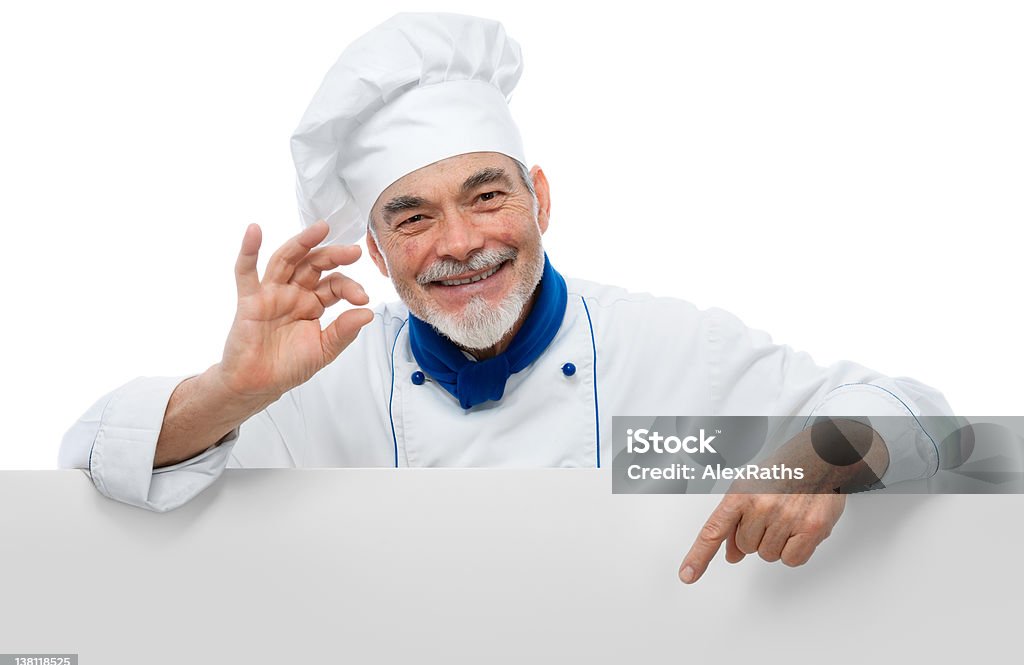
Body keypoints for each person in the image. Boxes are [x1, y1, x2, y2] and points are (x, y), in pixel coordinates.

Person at [58, 12, 954, 584]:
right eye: (412, 217)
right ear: (374, 250)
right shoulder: (311, 390)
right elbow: (93, 460)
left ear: (541, 199)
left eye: (487, 196)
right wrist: (233, 388)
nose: (459, 244)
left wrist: (821, 456)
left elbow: (924, 417)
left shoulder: (671, 349)